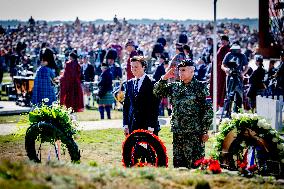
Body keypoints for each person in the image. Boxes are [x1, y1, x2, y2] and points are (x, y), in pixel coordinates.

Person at [154, 59, 213, 168]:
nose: (180, 73)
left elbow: (208, 110)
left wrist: (205, 130)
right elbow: (157, 92)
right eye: (179, 70)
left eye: (183, 70)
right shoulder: (175, 87)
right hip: (178, 132)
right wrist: (164, 78)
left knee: (195, 165)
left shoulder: (200, 87)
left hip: (195, 133)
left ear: (192, 71)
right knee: (178, 166)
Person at [123, 56, 160, 136]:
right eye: (132, 67)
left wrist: (151, 127)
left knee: (147, 148)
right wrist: (125, 125)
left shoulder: (152, 83)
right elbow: (126, 106)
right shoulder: (129, 83)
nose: (133, 69)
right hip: (132, 126)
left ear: (143, 67)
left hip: (148, 127)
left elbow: (154, 107)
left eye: (136, 67)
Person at [221, 44, 249, 116]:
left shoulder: (242, 55)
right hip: (230, 76)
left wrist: (242, 73)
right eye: (234, 50)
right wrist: (226, 69)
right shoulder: (229, 54)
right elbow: (222, 65)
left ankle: (237, 112)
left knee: (239, 95)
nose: (235, 51)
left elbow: (246, 67)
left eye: (237, 50)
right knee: (229, 95)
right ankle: (228, 112)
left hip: (238, 76)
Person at [209, 35, 231, 114]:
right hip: (218, 73)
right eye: (222, 40)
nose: (223, 42)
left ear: (228, 41)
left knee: (223, 90)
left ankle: (222, 108)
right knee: (217, 89)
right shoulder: (221, 48)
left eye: (225, 40)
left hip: (223, 73)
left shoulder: (228, 50)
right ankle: (219, 108)